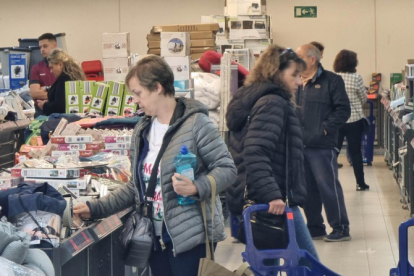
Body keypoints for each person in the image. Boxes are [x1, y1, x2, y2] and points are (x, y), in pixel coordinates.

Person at [73, 55, 237, 276]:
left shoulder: (197, 124)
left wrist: (198, 187)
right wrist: (95, 208)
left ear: (158, 87)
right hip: (154, 238)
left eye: (138, 93)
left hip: (190, 238)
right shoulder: (143, 130)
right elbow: (136, 187)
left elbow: (227, 168)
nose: (135, 101)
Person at [226, 44, 319, 260]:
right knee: (308, 263)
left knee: (268, 265)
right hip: (272, 202)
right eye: (294, 75)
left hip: (260, 200)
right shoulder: (273, 103)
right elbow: (256, 151)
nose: (299, 82)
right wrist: (273, 195)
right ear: (276, 73)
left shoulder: (252, 98)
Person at [295, 44, 352, 242]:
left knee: (328, 187)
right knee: (307, 189)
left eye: (299, 56)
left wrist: (325, 128)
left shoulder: (332, 81)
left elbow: (343, 110)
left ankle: (341, 228)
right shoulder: (294, 82)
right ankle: (315, 227)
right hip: (300, 144)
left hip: (322, 144)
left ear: (312, 59)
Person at [334, 50, 369, 191]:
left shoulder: (333, 77)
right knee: (355, 153)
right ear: (353, 62)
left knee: (332, 152)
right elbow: (364, 98)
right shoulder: (357, 78)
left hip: (336, 120)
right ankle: (360, 183)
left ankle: (328, 182)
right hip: (354, 120)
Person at [38, 49, 85, 116]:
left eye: (52, 67)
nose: (51, 71)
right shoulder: (73, 76)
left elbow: (60, 107)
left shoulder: (64, 79)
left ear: (60, 65)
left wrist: (44, 105)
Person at [29, 33, 58, 118]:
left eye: (45, 46)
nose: (42, 49)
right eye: (40, 47)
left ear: (54, 46)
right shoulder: (36, 68)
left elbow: (67, 93)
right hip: (42, 111)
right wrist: (57, 95)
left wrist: (46, 88)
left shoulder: (63, 66)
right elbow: (34, 93)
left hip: (59, 109)